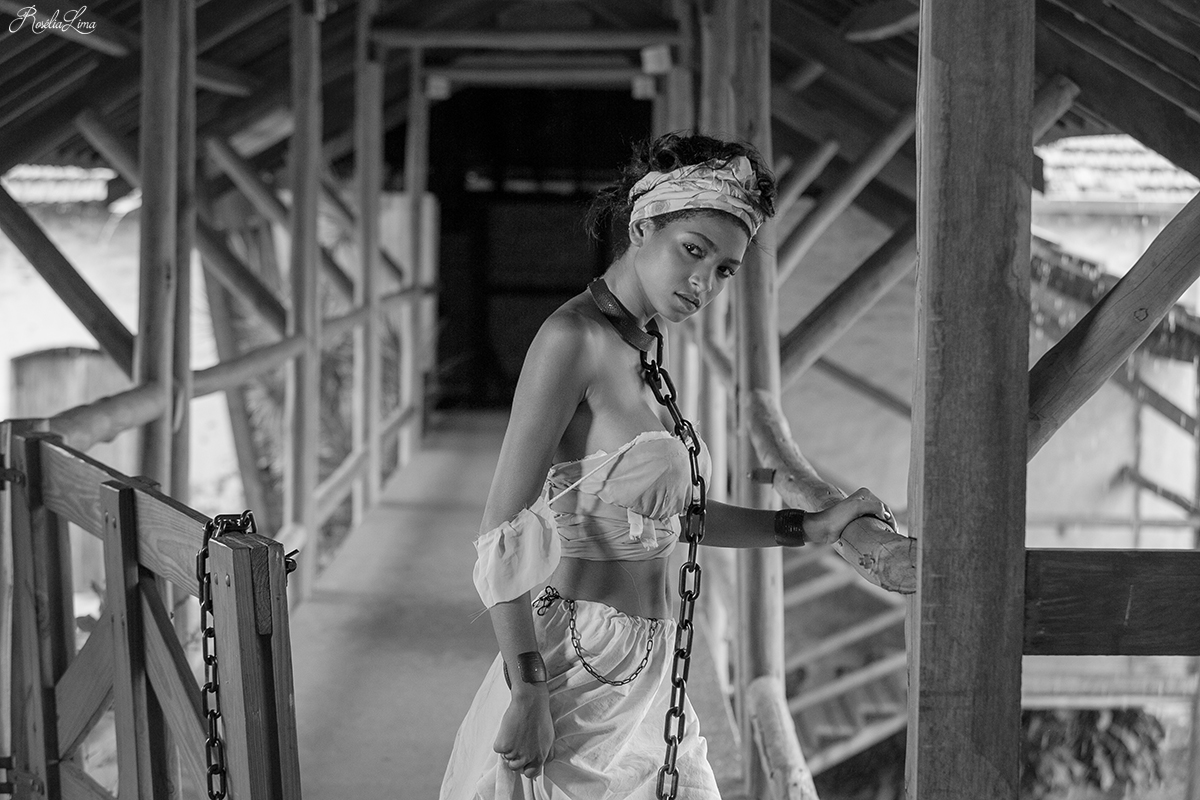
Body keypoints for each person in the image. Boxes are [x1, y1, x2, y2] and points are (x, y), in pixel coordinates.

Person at [439, 132, 893, 800]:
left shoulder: (645, 345)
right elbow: (499, 530)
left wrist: (806, 527)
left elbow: (676, 516)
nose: (704, 283)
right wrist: (528, 689)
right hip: (577, 670)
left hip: (651, 675)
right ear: (642, 227)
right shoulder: (572, 340)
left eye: (725, 270)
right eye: (693, 250)